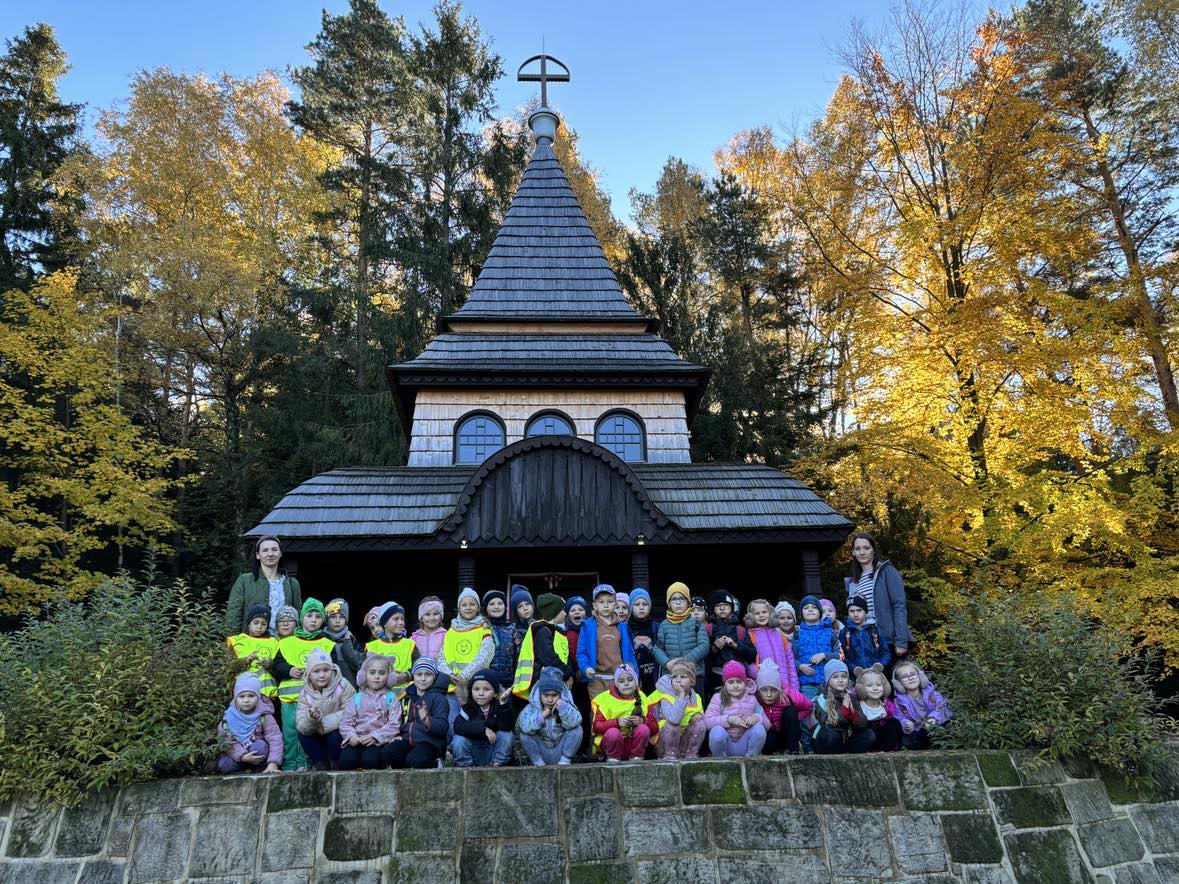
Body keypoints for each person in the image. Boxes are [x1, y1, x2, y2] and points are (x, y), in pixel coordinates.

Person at [272, 599, 334, 771]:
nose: (313, 620)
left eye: (317, 616)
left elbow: (333, 671)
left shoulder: (327, 643)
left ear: (322, 620)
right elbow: (276, 664)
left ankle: (307, 762)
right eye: (309, 615)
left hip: (314, 699)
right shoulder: (286, 642)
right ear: (302, 618)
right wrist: (289, 669)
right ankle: (290, 763)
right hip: (289, 699)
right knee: (290, 733)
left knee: (310, 732)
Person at [845, 532, 913, 662]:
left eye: (866, 548)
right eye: (857, 549)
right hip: (868, 640)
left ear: (874, 550)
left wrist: (901, 640)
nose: (862, 552)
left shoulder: (886, 571)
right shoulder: (855, 581)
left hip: (889, 639)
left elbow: (899, 605)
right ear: (853, 552)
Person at [225, 536, 302, 635]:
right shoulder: (244, 581)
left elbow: (298, 615)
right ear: (258, 555)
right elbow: (234, 614)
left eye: (274, 550)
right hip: (253, 642)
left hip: (285, 643)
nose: (270, 554)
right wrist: (234, 642)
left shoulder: (292, 583)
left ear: (280, 553)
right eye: (265, 550)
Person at [438, 588, 494, 724]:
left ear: (478, 608)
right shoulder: (451, 631)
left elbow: (485, 656)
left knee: (476, 723)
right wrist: (449, 673)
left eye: (472, 604)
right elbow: (441, 657)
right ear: (459, 608)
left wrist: (464, 676)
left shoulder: (484, 629)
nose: (468, 607)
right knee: (452, 723)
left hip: (477, 686)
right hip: (453, 687)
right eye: (464, 605)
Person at [339, 654, 402, 770]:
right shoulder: (357, 698)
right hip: (357, 739)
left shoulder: (391, 698)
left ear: (389, 677)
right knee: (346, 760)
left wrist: (375, 737)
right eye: (372, 673)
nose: (377, 677)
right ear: (364, 676)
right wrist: (350, 736)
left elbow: (394, 724)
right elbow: (345, 722)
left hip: (379, 741)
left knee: (371, 760)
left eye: (382, 673)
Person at [576, 584, 638, 701]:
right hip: (597, 679)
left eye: (609, 601)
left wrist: (633, 670)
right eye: (601, 602)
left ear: (615, 603)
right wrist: (585, 667)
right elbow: (582, 652)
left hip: (620, 678)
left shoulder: (622, 626)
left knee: (620, 711)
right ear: (595, 605)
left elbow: (630, 652)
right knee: (599, 712)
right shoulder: (587, 626)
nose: (606, 605)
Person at [296, 648, 355, 770]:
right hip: (317, 732)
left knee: (334, 736)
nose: (322, 675)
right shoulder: (305, 693)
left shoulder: (342, 685)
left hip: (339, 732)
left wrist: (326, 722)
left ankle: (336, 765)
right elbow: (301, 725)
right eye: (316, 671)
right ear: (309, 674)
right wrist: (311, 717)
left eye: (326, 670)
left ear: (332, 669)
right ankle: (321, 766)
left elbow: (352, 711)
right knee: (303, 736)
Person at [388, 657, 450, 769]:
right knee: (390, 752)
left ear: (434, 677)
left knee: (416, 760)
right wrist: (398, 735)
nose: (423, 679)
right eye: (419, 674)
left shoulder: (439, 697)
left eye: (428, 674)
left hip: (431, 743)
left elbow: (443, 726)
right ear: (413, 677)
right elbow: (401, 720)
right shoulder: (406, 696)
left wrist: (427, 721)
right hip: (409, 740)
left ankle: (437, 763)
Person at [516, 666, 583, 766]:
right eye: (546, 695)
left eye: (554, 695)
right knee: (524, 734)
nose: (550, 700)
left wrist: (564, 710)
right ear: (540, 695)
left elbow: (576, 721)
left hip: (561, 753)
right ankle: (538, 764)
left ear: (560, 695)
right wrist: (541, 716)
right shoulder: (532, 707)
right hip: (541, 753)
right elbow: (524, 726)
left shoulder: (565, 704)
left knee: (577, 729)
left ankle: (564, 762)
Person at [217, 673, 282, 774]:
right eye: (241, 696)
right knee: (225, 764)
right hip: (239, 756)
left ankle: (262, 769)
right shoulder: (228, 718)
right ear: (235, 698)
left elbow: (275, 739)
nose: (246, 700)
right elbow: (225, 741)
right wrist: (242, 756)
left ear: (258, 696)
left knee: (259, 746)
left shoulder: (264, 716)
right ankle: (243, 771)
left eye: (251, 696)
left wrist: (273, 763)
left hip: (259, 755)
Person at [590, 663, 655, 762]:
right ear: (616, 684)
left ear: (636, 682)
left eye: (630, 680)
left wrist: (642, 720)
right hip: (613, 744)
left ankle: (636, 757)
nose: (626, 684)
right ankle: (612, 758)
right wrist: (616, 722)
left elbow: (655, 727)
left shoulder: (642, 697)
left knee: (643, 729)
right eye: (621, 681)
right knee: (613, 733)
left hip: (632, 744)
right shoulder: (606, 700)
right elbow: (596, 726)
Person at [451, 669, 516, 767]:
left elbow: (507, 726)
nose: (481, 693)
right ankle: (465, 766)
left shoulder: (499, 706)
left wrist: (503, 705)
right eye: (476, 689)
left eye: (486, 689)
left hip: (492, 748)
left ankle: (498, 763)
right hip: (473, 749)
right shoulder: (468, 707)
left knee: (507, 735)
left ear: (495, 693)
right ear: (470, 691)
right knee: (458, 740)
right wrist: (483, 729)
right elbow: (458, 726)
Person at [512, 592, 571, 699]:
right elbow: (548, 657)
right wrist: (567, 673)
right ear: (555, 612)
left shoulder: (554, 630)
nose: (565, 614)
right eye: (562, 610)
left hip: (555, 679)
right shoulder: (542, 631)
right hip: (545, 683)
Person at [653, 582, 709, 695]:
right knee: (673, 709)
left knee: (695, 708)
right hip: (672, 676)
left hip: (694, 674)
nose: (678, 602)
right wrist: (667, 663)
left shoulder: (696, 623)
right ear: (669, 603)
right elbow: (657, 649)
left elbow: (704, 646)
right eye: (674, 599)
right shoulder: (664, 625)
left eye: (682, 598)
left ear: (688, 602)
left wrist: (684, 661)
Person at [705, 660, 769, 757]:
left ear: (745, 682)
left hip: (744, 744)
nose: (735, 686)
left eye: (739, 682)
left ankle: (751, 761)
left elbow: (767, 724)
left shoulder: (752, 699)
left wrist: (756, 718)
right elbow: (707, 722)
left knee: (759, 729)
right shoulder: (718, 698)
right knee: (716, 732)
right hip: (726, 745)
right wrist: (728, 720)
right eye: (730, 682)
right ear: (725, 684)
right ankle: (721, 762)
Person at [650, 657, 706, 759]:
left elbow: (700, 712)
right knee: (672, 725)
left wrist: (698, 715)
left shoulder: (696, 697)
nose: (678, 680)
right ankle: (669, 756)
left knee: (700, 723)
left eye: (683, 677)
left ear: (692, 682)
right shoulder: (666, 696)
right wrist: (681, 696)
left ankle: (691, 754)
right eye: (674, 677)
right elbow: (674, 719)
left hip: (683, 740)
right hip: (664, 742)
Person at [812, 660, 872, 754]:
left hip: (845, 740)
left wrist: (853, 715)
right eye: (835, 677)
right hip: (826, 740)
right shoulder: (822, 697)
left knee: (869, 734)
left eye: (844, 676)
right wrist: (844, 711)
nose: (840, 680)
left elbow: (863, 723)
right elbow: (827, 723)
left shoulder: (851, 697)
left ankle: (851, 759)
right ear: (828, 680)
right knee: (831, 734)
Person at [754, 659, 812, 756]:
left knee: (790, 711)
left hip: (787, 731)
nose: (769, 694)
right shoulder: (756, 699)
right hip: (770, 734)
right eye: (764, 690)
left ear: (779, 688)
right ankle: (769, 754)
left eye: (773, 690)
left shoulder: (789, 695)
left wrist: (794, 719)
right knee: (769, 738)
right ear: (759, 690)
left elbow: (808, 706)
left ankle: (793, 751)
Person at [891, 660, 952, 749]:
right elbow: (899, 718)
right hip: (917, 732)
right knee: (907, 741)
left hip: (935, 727)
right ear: (898, 683)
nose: (910, 678)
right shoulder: (899, 702)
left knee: (945, 728)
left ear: (920, 676)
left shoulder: (932, 694)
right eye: (905, 677)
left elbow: (944, 708)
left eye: (913, 674)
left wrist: (933, 718)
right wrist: (905, 723)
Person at [705, 590, 756, 694]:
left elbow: (752, 655)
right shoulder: (708, 629)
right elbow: (703, 656)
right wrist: (714, 648)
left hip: (738, 677)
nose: (722, 608)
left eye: (726, 605)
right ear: (713, 609)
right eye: (718, 605)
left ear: (732, 607)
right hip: (715, 676)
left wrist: (736, 646)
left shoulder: (740, 630)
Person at [746, 598, 800, 693]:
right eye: (757, 613)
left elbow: (790, 662)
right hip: (764, 688)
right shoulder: (750, 635)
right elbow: (748, 661)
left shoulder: (779, 635)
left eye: (764, 612)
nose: (761, 615)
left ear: (770, 613)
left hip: (785, 687)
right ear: (751, 616)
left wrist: (794, 688)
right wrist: (758, 675)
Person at [226, 603, 279, 701]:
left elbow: (279, 667)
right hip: (244, 695)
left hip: (268, 696)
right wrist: (245, 661)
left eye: (264, 624)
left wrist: (271, 665)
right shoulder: (237, 641)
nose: (259, 627)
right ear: (249, 623)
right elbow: (228, 668)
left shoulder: (274, 642)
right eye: (256, 622)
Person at [364, 603, 417, 692]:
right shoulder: (372, 647)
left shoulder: (410, 644)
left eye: (402, 619)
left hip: (406, 694)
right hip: (379, 696)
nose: (400, 622)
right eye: (396, 619)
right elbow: (364, 672)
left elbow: (418, 666)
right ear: (384, 623)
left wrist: (407, 675)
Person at [795, 595, 839, 699]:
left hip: (828, 682)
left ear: (820, 611)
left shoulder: (830, 632)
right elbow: (791, 657)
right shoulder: (797, 633)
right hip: (806, 683)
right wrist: (800, 666)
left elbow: (839, 655)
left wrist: (824, 655)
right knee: (810, 711)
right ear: (801, 613)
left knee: (829, 712)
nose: (810, 610)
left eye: (814, 607)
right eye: (806, 608)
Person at [855, 665, 902, 752]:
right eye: (869, 685)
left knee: (894, 723)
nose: (875, 688)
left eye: (879, 685)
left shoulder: (887, 705)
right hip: (867, 738)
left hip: (881, 741)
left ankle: (886, 751)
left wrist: (887, 711)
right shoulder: (857, 704)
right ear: (860, 688)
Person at [839, 596, 891, 674]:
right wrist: (853, 668)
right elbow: (841, 655)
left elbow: (886, 653)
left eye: (859, 610)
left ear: (865, 611)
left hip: (877, 674)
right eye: (852, 611)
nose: (855, 614)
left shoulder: (875, 630)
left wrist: (881, 664)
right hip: (855, 676)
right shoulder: (844, 632)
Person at [324, 598, 365, 687]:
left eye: (341, 617)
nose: (337, 620)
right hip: (327, 689)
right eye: (333, 616)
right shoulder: (321, 638)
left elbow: (362, 663)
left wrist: (348, 645)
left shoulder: (350, 639)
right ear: (327, 619)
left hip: (350, 687)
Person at [627, 588, 659, 694]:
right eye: (637, 605)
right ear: (631, 607)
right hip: (634, 677)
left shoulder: (656, 627)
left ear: (649, 607)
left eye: (645, 604)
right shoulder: (626, 629)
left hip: (654, 677)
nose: (641, 607)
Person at [483, 589, 517, 690]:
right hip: (485, 684)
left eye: (500, 603)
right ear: (486, 608)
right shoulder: (481, 629)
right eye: (492, 604)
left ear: (505, 606)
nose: (496, 607)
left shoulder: (512, 629)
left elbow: (518, 657)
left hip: (509, 685)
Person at [411, 597, 447, 661]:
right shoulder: (413, 639)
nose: (432, 618)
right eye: (427, 614)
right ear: (421, 617)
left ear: (441, 616)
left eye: (435, 614)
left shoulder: (447, 637)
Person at [510, 585, 535, 664]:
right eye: (520, 606)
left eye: (527, 604)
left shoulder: (540, 626)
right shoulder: (512, 631)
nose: (525, 608)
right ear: (516, 612)